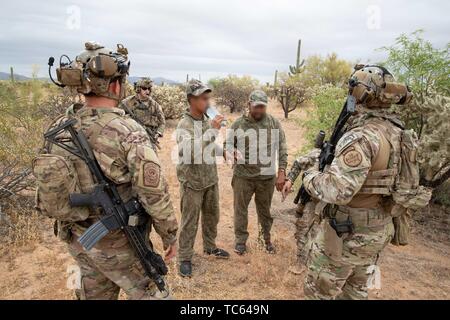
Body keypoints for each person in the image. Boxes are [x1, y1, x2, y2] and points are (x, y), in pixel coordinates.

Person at [34, 42, 178, 299]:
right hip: (121, 244)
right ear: (115, 85)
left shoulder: (59, 128)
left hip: (78, 241)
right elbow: (153, 192)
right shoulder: (127, 131)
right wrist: (169, 235)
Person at [300, 65, 418, 299]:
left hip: (346, 234)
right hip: (378, 229)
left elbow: (338, 190)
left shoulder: (361, 136)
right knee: (355, 293)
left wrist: (310, 177)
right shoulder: (397, 132)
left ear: (359, 93)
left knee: (319, 293)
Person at [176, 79, 230, 277]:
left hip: (209, 178)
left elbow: (206, 145)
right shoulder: (185, 124)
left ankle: (209, 246)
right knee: (190, 221)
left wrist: (223, 151)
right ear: (191, 100)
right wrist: (213, 131)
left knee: (212, 216)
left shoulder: (205, 121)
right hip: (192, 182)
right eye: (203, 98)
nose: (208, 101)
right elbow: (190, 152)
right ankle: (184, 257)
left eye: (209, 98)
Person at [223, 90, 288, 255]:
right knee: (240, 209)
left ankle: (265, 239)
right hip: (243, 176)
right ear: (249, 105)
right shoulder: (238, 124)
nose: (259, 110)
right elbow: (228, 143)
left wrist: (282, 171)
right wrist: (230, 152)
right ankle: (240, 241)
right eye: (256, 107)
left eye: (262, 107)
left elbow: (282, 148)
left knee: (265, 211)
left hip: (266, 178)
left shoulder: (273, 123)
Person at [120, 77, 165, 149]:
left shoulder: (154, 105)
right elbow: (118, 117)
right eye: (144, 88)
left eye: (149, 89)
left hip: (149, 137)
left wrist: (158, 133)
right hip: (132, 138)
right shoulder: (127, 102)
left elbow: (162, 122)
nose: (147, 91)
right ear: (138, 89)